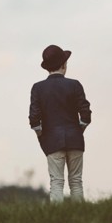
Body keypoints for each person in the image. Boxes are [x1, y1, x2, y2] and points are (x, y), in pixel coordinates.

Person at [29, 45, 92, 203]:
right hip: (75, 139)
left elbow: (34, 121)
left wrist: (42, 134)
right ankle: (79, 216)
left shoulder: (38, 88)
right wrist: (79, 130)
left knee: (56, 183)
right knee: (76, 182)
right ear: (63, 65)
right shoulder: (75, 85)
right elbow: (86, 115)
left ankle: (57, 220)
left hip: (52, 141)